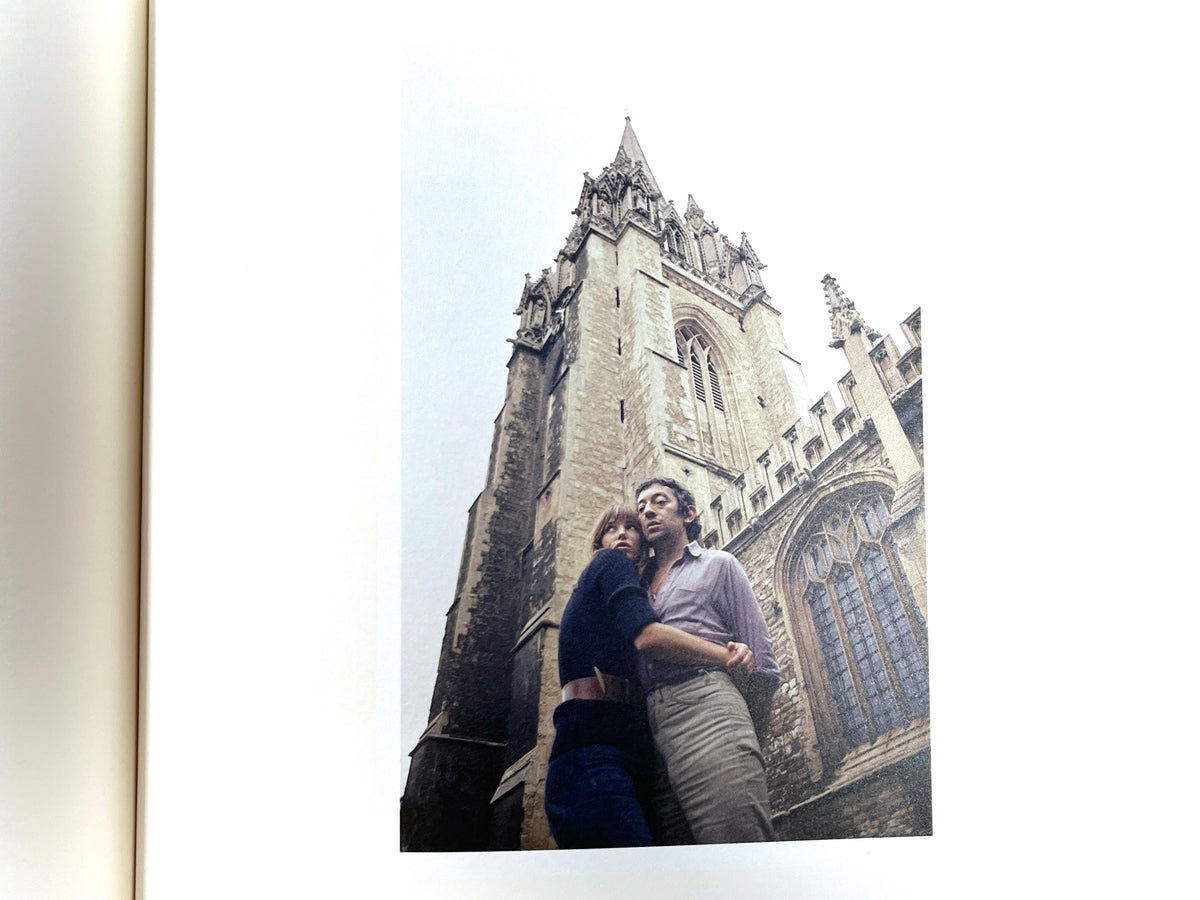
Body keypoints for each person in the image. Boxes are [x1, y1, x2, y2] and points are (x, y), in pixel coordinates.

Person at [544, 505, 755, 849]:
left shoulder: (635, 589)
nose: (623, 533)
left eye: (631, 527)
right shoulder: (609, 563)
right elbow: (648, 636)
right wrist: (727, 655)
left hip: (631, 757)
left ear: (645, 544)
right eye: (611, 529)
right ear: (600, 543)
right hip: (593, 755)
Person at [635, 477, 781, 844]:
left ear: (689, 513)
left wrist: (739, 736)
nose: (648, 511)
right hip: (647, 735)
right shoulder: (633, 585)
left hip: (709, 712)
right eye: (641, 508)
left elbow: (761, 664)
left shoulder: (719, 564)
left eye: (659, 502)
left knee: (734, 845)